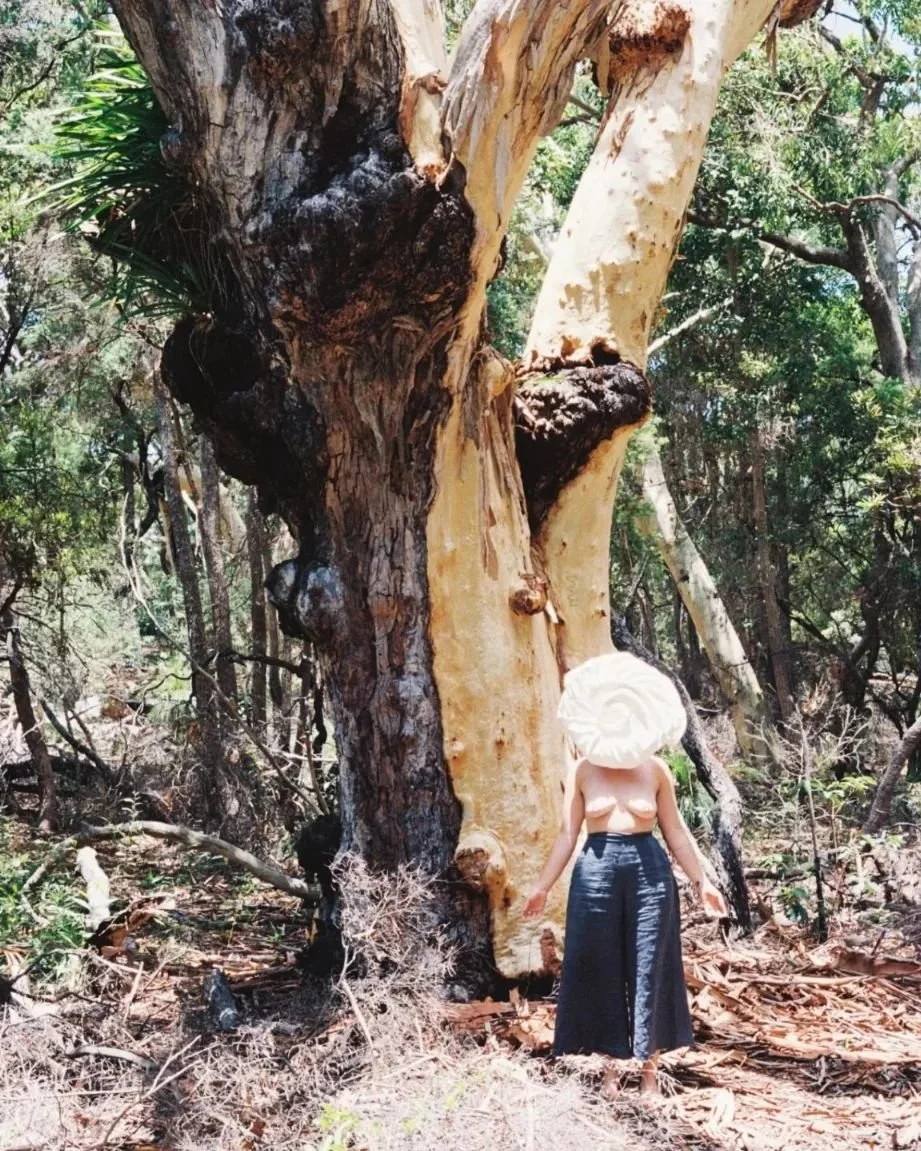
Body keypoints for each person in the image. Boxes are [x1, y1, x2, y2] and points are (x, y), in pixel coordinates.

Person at [523, 651, 727, 1097]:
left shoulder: (655, 770)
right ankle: (610, 1071)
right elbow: (566, 835)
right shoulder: (582, 769)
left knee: (649, 962)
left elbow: (675, 831)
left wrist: (701, 881)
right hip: (595, 871)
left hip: (649, 871)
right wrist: (541, 887)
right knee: (600, 965)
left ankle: (649, 1072)